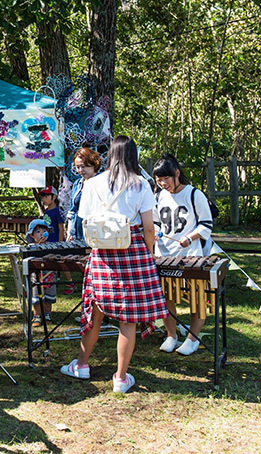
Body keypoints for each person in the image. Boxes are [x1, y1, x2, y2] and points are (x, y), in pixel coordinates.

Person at [59, 135, 168, 394]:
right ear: (133, 156)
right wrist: (149, 253)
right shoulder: (141, 184)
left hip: (102, 255)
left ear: (110, 156)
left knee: (94, 311)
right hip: (132, 253)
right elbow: (149, 227)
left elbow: (84, 220)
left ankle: (82, 365)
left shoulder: (93, 183)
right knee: (127, 318)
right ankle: (120, 378)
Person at [153, 154, 214, 356]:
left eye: (165, 179)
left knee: (197, 298)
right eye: (158, 180)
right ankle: (171, 335)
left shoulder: (195, 194)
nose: (162, 183)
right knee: (165, 297)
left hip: (191, 255)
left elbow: (206, 224)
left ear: (177, 174)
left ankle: (192, 338)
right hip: (164, 255)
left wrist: (190, 237)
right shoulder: (159, 196)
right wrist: (152, 233)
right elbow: (155, 221)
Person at [63, 147, 103, 295]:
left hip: (96, 235)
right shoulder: (78, 184)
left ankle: (100, 313)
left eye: (84, 166)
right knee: (85, 273)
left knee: (96, 274)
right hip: (79, 234)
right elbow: (72, 210)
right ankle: (88, 311)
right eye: (78, 166)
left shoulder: (101, 183)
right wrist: (70, 231)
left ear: (94, 164)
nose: (81, 170)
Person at [26, 219, 56, 327]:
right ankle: (37, 315)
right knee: (36, 298)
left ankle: (48, 314)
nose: (42, 234)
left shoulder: (51, 246)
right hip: (36, 276)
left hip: (49, 275)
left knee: (49, 297)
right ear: (32, 235)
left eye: (44, 231)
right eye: (38, 232)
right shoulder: (30, 247)